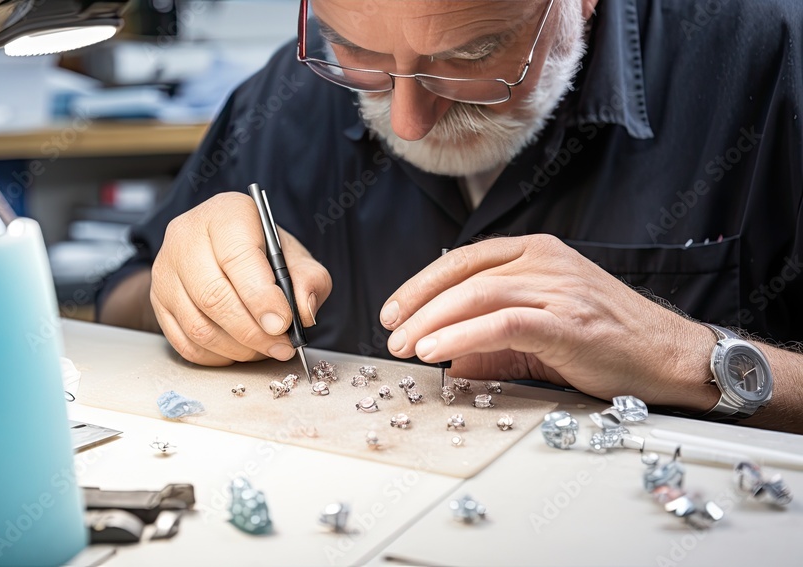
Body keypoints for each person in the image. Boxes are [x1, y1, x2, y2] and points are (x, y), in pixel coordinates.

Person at [97, 0, 803, 433]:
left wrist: (688, 358)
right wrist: (185, 286)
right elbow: (118, 301)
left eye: (471, 55)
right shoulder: (287, 94)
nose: (406, 121)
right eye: (361, 52)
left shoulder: (769, 60)